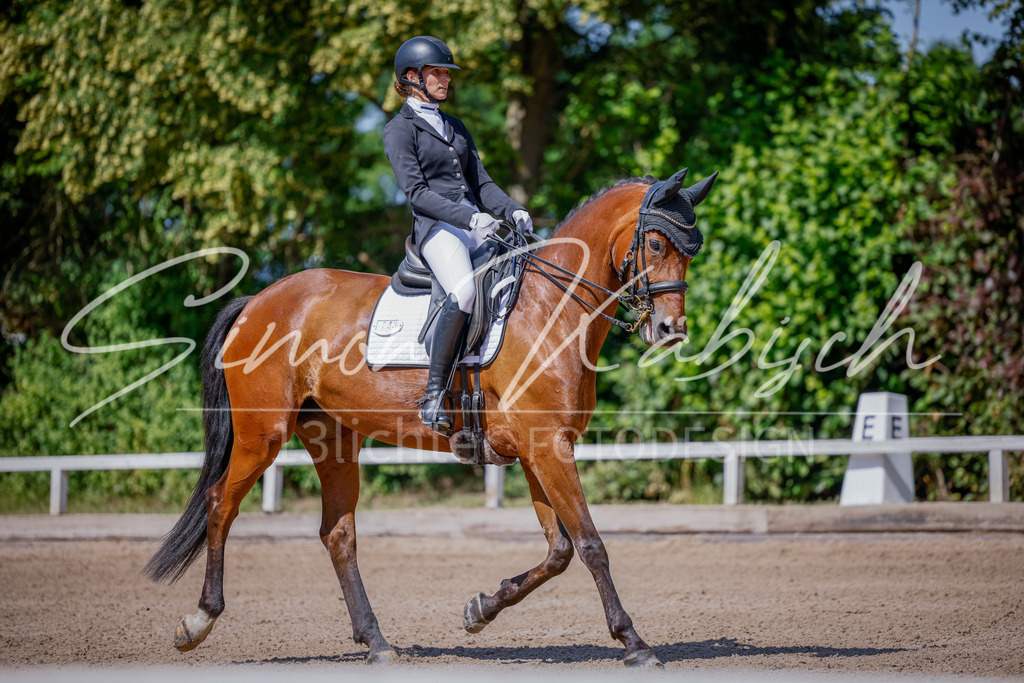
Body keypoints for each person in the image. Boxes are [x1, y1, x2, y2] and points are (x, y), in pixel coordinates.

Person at [382, 36, 533, 435]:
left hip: (476, 223)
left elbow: (481, 183)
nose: (446, 79)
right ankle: (434, 395)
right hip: (437, 229)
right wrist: (469, 219)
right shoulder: (398, 131)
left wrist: (511, 209)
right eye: (438, 72)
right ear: (411, 77)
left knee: (524, 273)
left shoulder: (455, 126)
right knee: (464, 292)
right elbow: (417, 194)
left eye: (447, 73)